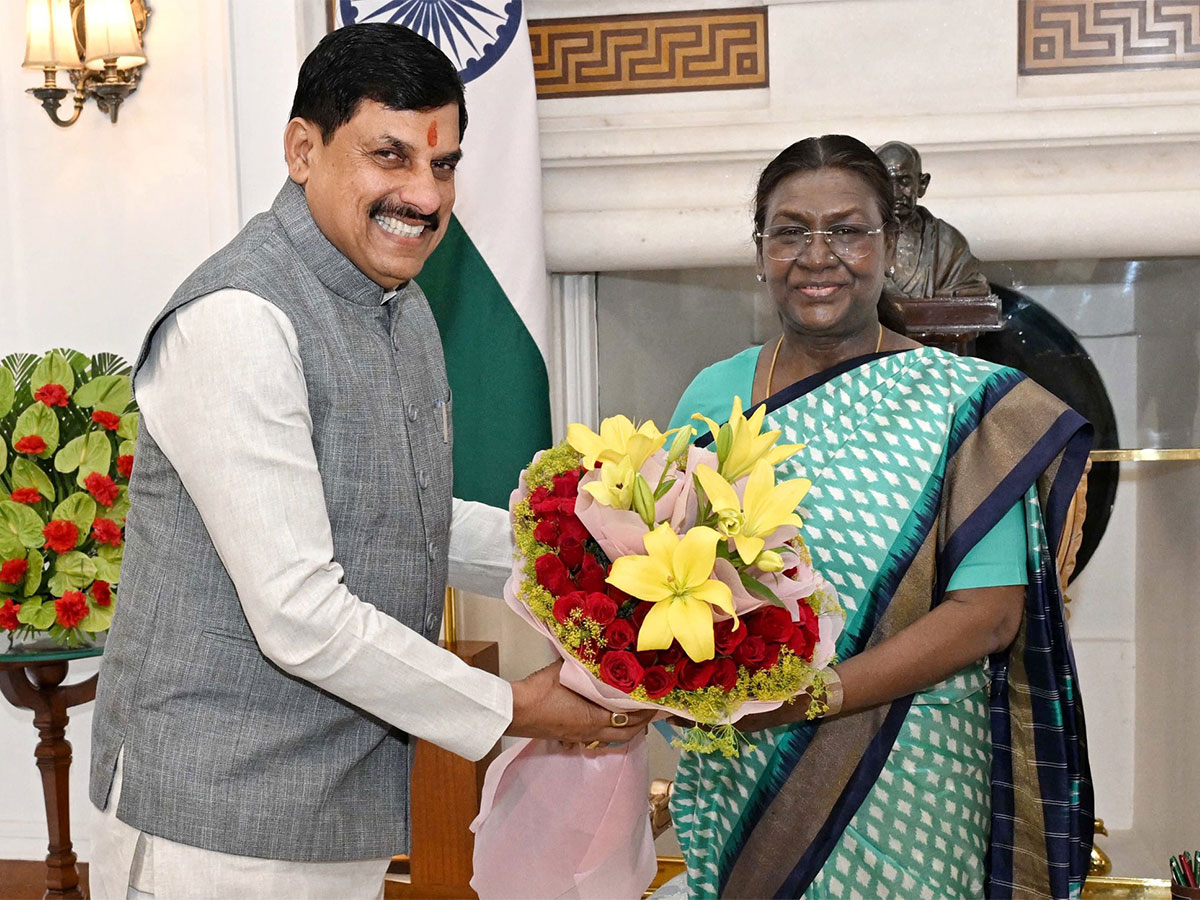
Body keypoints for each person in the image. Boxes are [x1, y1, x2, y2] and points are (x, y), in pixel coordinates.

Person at [87, 24, 650, 900]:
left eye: (444, 165)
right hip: (215, 822)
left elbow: (406, 519)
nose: (424, 195)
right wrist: (516, 708)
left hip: (335, 808)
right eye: (390, 156)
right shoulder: (237, 319)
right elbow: (300, 614)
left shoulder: (400, 305)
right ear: (302, 150)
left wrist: (597, 555)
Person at [661, 135, 1092, 899]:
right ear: (760, 252)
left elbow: (989, 615)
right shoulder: (712, 394)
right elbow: (665, 575)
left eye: (847, 230)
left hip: (911, 769)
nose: (817, 256)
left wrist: (812, 697)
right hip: (748, 777)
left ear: (890, 246)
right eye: (790, 231)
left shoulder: (960, 404)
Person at [876, 140, 990, 299]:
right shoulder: (856, 237)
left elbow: (973, 293)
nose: (896, 193)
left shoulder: (948, 244)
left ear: (922, 184)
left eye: (904, 182)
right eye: (887, 183)